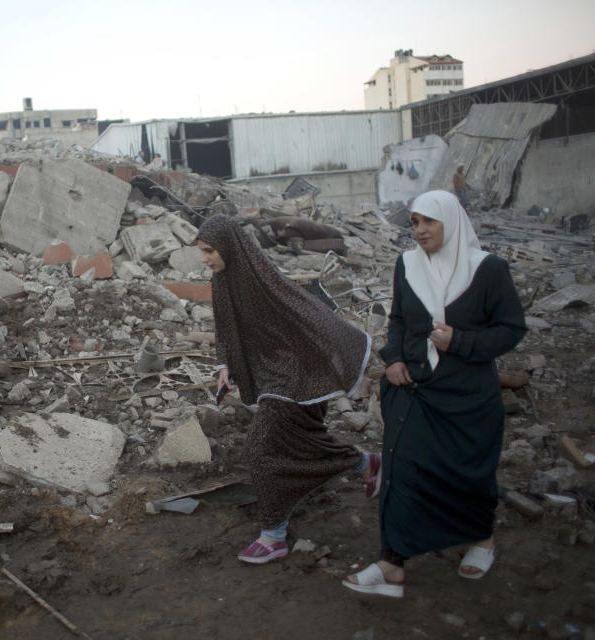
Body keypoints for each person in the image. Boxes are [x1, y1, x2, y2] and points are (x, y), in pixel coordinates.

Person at [343, 190, 526, 598]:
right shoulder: (407, 265)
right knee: (402, 468)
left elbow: (511, 328)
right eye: (414, 222)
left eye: (429, 221)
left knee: (467, 470)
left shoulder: (488, 269)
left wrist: (460, 341)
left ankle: (481, 539)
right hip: (413, 388)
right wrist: (392, 359)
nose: (420, 230)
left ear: (451, 222)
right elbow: (398, 320)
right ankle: (392, 562)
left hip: (466, 395)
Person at [194, 214, 379, 564]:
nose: (204, 258)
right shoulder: (223, 279)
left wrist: (346, 356)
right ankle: (366, 463)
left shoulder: (260, 277)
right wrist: (224, 366)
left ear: (229, 247)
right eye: (201, 251)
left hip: (295, 375)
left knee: (261, 450)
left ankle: (273, 536)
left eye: (209, 250)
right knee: (302, 437)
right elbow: (224, 326)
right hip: (269, 374)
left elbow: (307, 312)